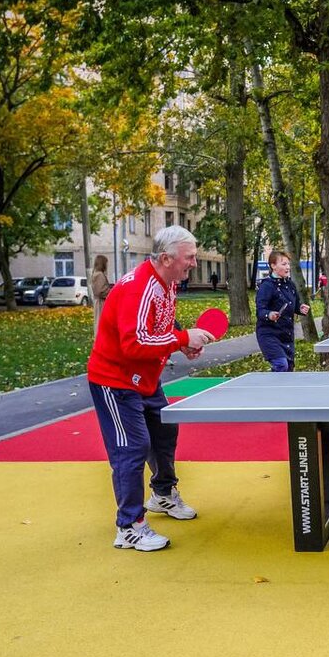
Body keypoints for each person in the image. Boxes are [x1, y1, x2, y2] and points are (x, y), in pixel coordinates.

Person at [87, 225, 216, 552]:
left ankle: (162, 494)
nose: (194, 264)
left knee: (163, 433)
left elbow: (159, 328)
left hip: (144, 377)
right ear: (166, 258)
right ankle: (129, 526)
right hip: (114, 380)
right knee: (131, 447)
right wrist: (183, 339)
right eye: (189, 258)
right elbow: (134, 343)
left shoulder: (168, 283)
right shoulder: (139, 288)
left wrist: (181, 341)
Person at [255, 250, 311, 372]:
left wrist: (300, 308)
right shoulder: (266, 286)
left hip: (286, 334)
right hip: (269, 334)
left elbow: (295, 305)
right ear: (273, 266)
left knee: (289, 369)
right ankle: (267, 389)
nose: (287, 267)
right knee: (281, 365)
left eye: (288, 264)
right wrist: (269, 314)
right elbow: (260, 311)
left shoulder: (290, 285)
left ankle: (279, 390)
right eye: (284, 264)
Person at [89, 254, 111, 337]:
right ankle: (100, 339)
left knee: (99, 321)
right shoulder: (100, 275)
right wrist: (111, 292)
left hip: (99, 301)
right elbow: (100, 291)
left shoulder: (96, 274)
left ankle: (100, 338)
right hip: (101, 302)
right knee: (101, 321)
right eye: (106, 263)